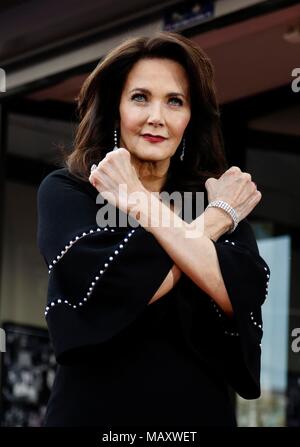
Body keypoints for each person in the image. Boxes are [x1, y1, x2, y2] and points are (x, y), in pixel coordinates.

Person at [37, 32, 270, 427]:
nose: (156, 117)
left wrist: (140, 203)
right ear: (115, 108)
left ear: (190, 118)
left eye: (174, 101)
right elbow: (118, 284)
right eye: (140, 97)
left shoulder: (213, 196)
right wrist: (212, 222)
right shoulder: (70, 191)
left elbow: (241, 292)